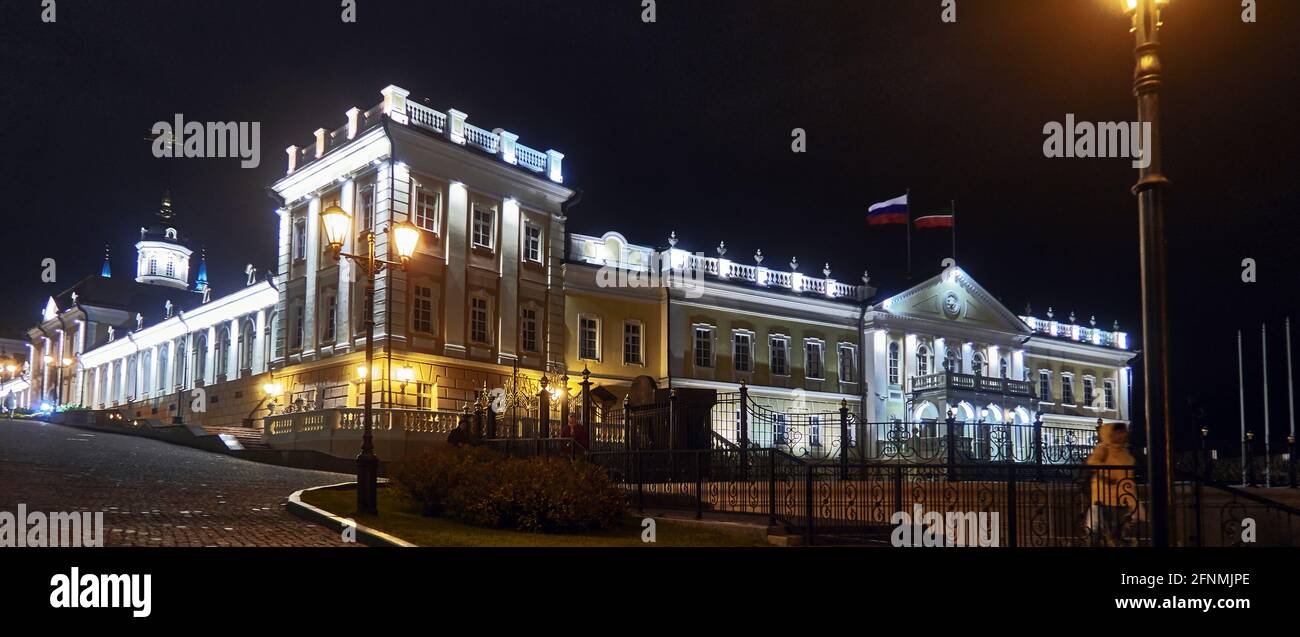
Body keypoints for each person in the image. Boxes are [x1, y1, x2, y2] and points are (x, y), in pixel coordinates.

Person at [1084, 422, 1137, 546]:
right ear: (1110, 434)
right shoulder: (1104, 448)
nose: (1122, 435)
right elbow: (1092, 462)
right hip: (1105, 496)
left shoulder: (1124, 451)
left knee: (1120, 528)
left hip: (1123, 495)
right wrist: (1108, 475)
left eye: (1124, 432)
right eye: (1119, 432)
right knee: (1109, 529)